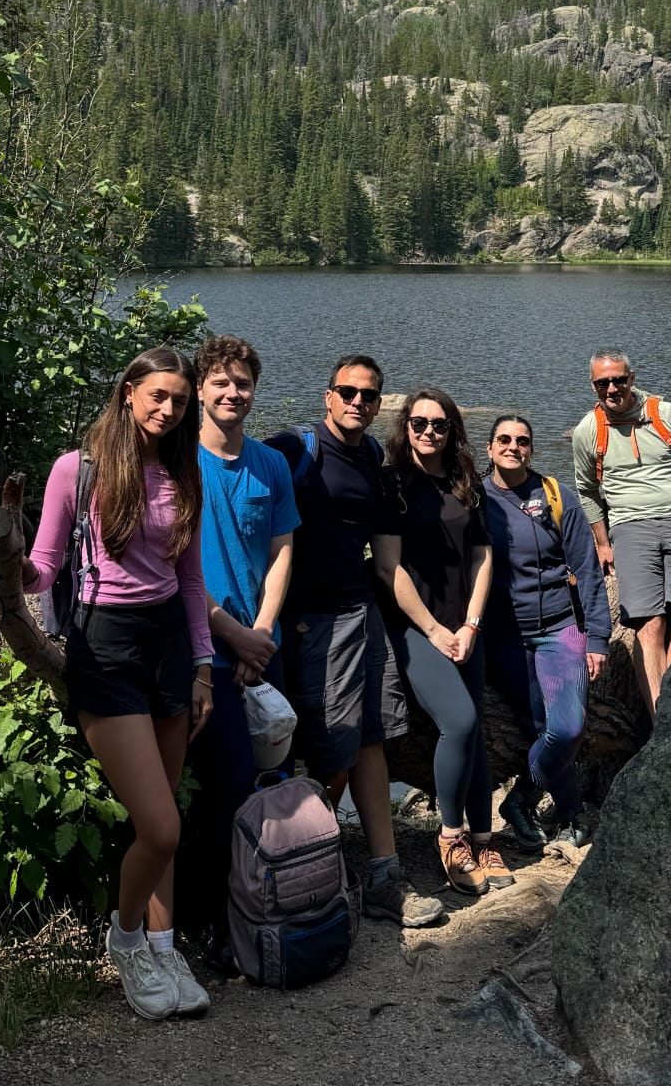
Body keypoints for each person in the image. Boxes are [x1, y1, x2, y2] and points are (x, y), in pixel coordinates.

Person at [22, 346, 212, 1022]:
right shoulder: (77, 469)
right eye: (158, 395)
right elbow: (44, 564)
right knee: (159, 827)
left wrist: (202, 665)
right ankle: (126, 941)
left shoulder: (184, 472)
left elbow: (191, 581)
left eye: (180, 400)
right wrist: (12, 570)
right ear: (128, 391)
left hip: (167, 647)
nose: (169, 409)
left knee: (167, 821)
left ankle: (163, 945)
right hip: (104, 647)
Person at [266, 355, 442, 929]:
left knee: (371, 738)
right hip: (311, 620)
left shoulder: (372, 459)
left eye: (369, 395)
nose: (358, 402)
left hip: (361, 612)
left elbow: (387, 555)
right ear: (328, 396)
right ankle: (307, 868)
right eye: (347, 392)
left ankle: (385, 874)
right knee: (330, 750)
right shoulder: (293, 450)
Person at [372, 389, 514, 897]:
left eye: (439, 424)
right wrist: (434, 630)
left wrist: (471, 624)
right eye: (419, 423)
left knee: (474, 734)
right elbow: (388, 567)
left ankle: (484, 838)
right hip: (414, 627)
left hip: (464, 628)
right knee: (460, 722)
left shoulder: (465, 482)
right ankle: (451, 837)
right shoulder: (392, 483)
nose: (429, 432)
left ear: (452, 429)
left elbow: (482, 557)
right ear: (405, 427)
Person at [190, 335, 299, 954]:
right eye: (221, 383)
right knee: (225, 787)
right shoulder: (178, 462)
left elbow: (282, 552)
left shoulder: (271, 464)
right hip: (205, 651)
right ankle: (218, 922)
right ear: (200, 389)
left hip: (264, 647)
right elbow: (174, 565)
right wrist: (232, 635)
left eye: (243, 383)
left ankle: (272, 909)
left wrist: (261, 631)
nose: (233, 393)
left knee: (273, 787)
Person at [482, 414, 610, 853]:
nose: (513, 447)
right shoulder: (474, 499)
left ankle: (521, 798)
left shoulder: (555, 496)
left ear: (531, 449)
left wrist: (597, 638)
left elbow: (587, 571)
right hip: (504, 637)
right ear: (489, 448)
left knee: (567, 728)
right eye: (504, 439)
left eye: (522, 441)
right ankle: (573, 815)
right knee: (541, 726)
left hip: (559, 629)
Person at [572, 348, 671, 717]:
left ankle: (670, 704)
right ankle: (662, 723)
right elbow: (586, 490)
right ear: (593, 386)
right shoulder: (588, 430)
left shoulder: (664, 414)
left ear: (632, 379)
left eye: (619, 380)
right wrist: (602, 542)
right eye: (602, 383)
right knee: (649, 625)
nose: (612, 389)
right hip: (630, 527)